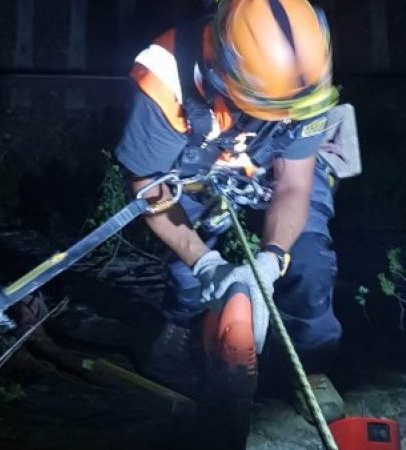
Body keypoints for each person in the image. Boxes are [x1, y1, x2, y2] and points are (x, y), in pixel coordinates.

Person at [115, 0, 346, 426]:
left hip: (271, 178)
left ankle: (309, 366)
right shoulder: (164, 77)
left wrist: (271, 258)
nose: (290, 117)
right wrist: (204, 262)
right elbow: (148, 186)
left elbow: (295, 184)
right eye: (275, 109)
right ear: (226, 74)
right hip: (193, 175)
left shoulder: (305, 81)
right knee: (187, 270)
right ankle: (183, 323)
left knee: (310, 263)